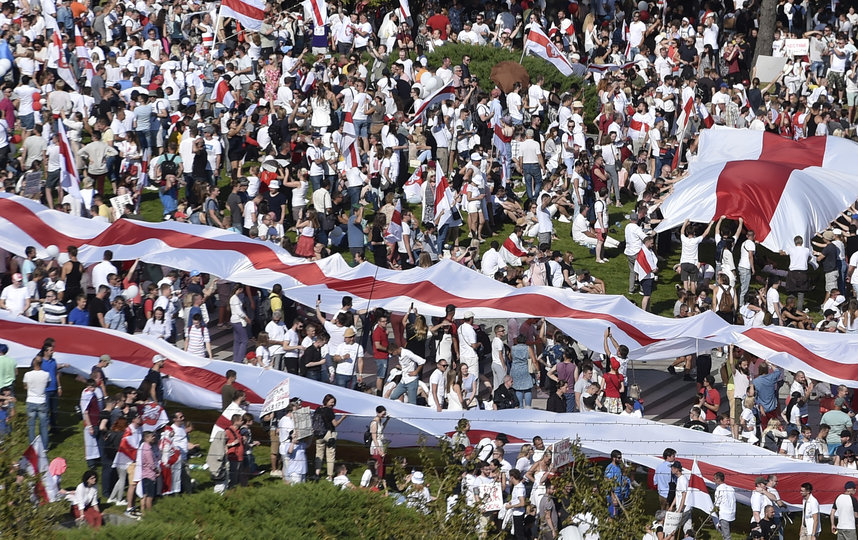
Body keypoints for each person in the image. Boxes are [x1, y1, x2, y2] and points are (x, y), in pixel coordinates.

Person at [314, 394, 345, 480]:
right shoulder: (329, 411)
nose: (332, 404)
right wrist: (342, 418)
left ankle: (317, 473)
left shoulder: (318, 409)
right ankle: (330, 476)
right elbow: (335, 424)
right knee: (330, 455)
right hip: (329, 434)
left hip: (319, 434)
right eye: (332, 402)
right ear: (327, 401)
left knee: (319, 454)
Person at [23, 356, 50, 447]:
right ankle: (44, 447)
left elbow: (25, 386)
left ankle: (32, 445)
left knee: (31, 426)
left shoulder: (27, 374)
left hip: (31, 400)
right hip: (41, 400)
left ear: (33, 363)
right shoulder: (46, 374)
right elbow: (47, 384)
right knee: (43, 426)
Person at [605, 449, 631, 517]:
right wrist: (613, 498)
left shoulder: (618, 467)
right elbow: (608, 484)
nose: (620, 459)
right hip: (613, 496)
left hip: (619, 494)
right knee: (613, 515)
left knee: (619, 514)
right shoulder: (610, 469)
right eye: (619, 458)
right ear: (614, 458)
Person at [713, 471, 736, 540]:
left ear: (718, 479)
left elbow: (717, 503)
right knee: (725, 533)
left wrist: (713, 511)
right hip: (731, 513)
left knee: (726, 536)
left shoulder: (719, 489)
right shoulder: (731, 488)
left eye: (714, 479)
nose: (714, 481)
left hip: (724, 514)